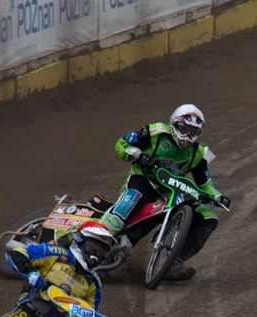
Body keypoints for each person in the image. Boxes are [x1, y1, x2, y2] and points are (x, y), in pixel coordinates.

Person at [98, 104, 231, 281]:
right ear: (173, 125)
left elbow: (205, 183)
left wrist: (218, 196)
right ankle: (95, 239)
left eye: (193, 132)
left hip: (169, 193)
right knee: (131, 200)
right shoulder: (155, 133)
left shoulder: (198, 153)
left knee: (208, 217)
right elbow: (121, 144)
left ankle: (173, 261)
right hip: (143, 180)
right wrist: (138, 154)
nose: (187, 136)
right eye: (183, 129)